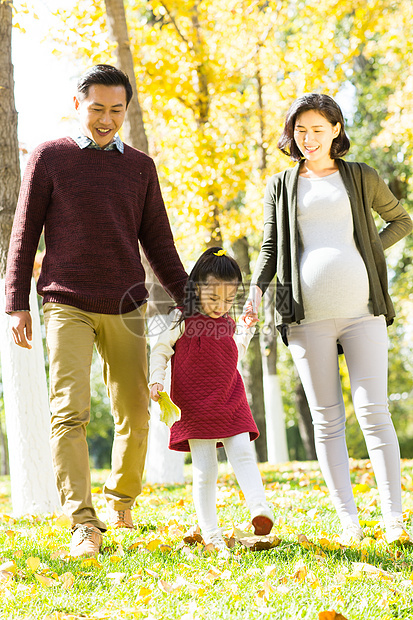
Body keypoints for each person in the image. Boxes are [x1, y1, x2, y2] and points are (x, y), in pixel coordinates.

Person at [5, 64, 188, 557]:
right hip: (66, 301)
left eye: (116, 110)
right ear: (78, 105)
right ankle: (83, 523)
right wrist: (16, 301)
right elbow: (24, 233)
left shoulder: (141, 168)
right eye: (97, 108)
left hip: (127, 303)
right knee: (70, 412)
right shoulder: (50, 157)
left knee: (135, 409)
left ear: (125, 110)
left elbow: (159, 245)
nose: (106, 119)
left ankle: (121, 503)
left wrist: (194, 303)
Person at [242, 93, 412, 545]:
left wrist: (368, 248)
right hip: (306, 318)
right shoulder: (281, 185)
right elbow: (270, 249)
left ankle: (394, 520)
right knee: (327, 420)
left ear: (336, 129)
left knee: (374, 412)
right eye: (300, 131)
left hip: (363, 312)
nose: (308, 139)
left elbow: (402, 220)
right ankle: (349, 521)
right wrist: (255, 294)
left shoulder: (361, 177)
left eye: (318, 130)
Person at [149, 247, 274, 556]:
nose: (221, 307)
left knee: (243, 453)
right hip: (194, 407)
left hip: (231, 398)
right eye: (214, 299)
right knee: (206, 472)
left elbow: (235, 352)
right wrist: (156, 378)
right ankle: (212, 535)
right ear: (197, 289)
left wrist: (245, 326)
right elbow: (161, 349)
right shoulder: (183, 319)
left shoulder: (229, 324)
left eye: (228, 301)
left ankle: (260, 508)